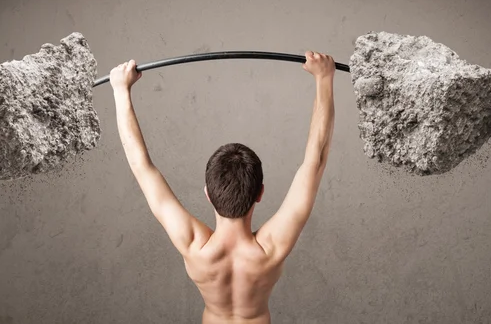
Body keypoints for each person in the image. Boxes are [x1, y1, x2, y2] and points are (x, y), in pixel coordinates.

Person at [109, 50, 336, 324]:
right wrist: (324, 78)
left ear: (207, 193)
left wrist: (121, 91)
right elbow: (316, 160)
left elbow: (141, 166)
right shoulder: (271, 248)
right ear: (260, 193)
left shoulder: (194, 245)